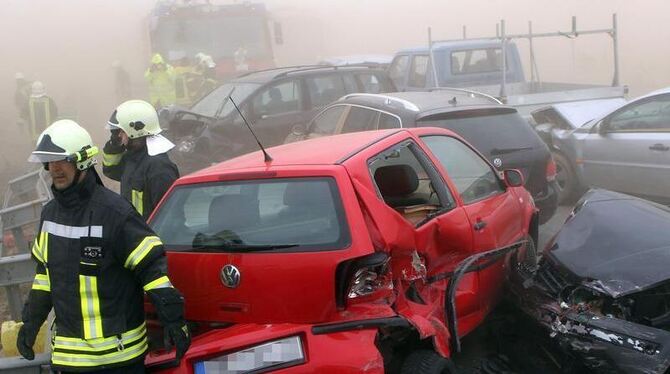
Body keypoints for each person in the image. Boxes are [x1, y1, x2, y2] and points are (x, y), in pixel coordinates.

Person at [18, 120, 190, 373]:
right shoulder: (50, 215)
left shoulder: (115, 213)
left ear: (83, 161)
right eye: (49, 163)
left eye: (62, 161)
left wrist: (173, 319)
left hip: (120, 358)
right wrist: (31, 323)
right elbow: (44, 277)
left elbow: (151, 268)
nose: (54, 169)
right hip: (70, 360)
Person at [102, 100, 179, 220]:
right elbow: (110, 170)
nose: (119, 135)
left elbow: (168, 216)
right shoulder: (133, 157)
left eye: (121, 131)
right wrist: (114, 144)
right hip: (135, 232)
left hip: (149, 235)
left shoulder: (159, 167)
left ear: (135, 130)